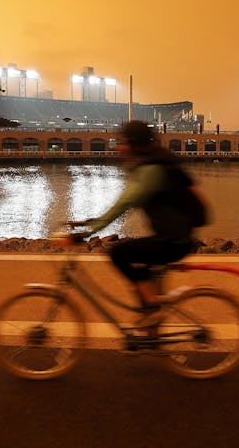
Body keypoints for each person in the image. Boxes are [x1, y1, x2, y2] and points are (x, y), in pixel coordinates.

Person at [71, 120, 207, 325]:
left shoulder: (151, 169)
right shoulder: (152, 162)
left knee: (119, 253)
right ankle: (150, 323)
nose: (118, 147)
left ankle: (152, 304)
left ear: (134, 144)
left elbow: (126, 201)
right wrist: (87, 223)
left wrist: (89, 230)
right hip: (173, 237)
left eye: (122, 142)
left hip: (174, 241)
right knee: (139, 269)